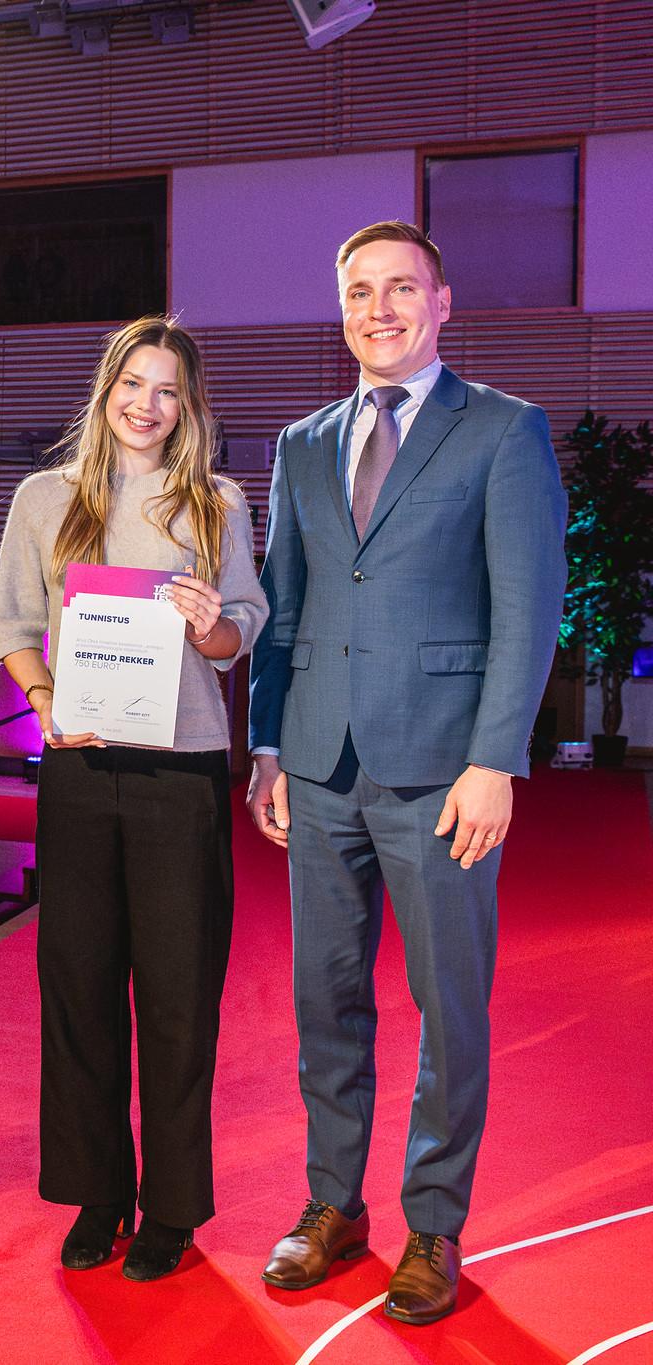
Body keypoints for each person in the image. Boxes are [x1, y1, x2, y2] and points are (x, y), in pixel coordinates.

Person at [246, 222, 568, 1327]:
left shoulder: (504, 431)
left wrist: (494, 761)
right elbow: (283, 605)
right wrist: (268, 746)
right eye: (357, 292)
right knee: (324, 998)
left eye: (398, 288)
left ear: (441, 302)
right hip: (319, 764)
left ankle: (432, 1222)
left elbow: (527, 609)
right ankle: (333, 1205)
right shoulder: (301, 442)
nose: (376, 309)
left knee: (447, 1002)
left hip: (442, 773)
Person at [0, 315, 267, 1281]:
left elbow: (242, 634)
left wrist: (210, 623)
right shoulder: (43, 498)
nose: (147, 406)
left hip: (180, 772)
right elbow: (14, 625)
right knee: (78, 987)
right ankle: (97, 1192)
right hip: (78, 768)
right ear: (106, 389)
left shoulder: (217, 502)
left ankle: (171, 1208)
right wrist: (45, 703)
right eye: (133, 385)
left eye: (168, 392)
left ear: (188, 407)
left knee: (180, 996)